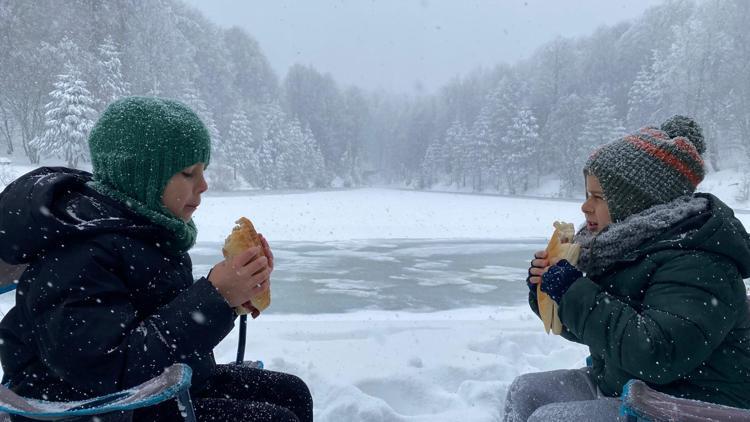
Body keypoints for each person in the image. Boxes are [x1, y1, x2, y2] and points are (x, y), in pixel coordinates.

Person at [0, 96, 313, 421]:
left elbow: (157, 316)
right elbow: (107, 366)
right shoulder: (80, 251)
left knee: (292, 392)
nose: (204, 185)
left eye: (203, 171)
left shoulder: (145, 231)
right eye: (189, 173)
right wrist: (215, 296)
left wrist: (234, 295)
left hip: (152, 387)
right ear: (142, 178)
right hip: (94, 406)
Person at [503, 116, 750, 421]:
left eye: (598, 197)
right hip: (628, 385)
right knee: (525, 392)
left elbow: (656, 355)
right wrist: (549, 292)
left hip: (690, 403)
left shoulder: (700, 262)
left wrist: (574, 290)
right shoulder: (621, 249)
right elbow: (605, 331)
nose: (585, 207)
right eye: (586, 195)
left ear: (636, 203)